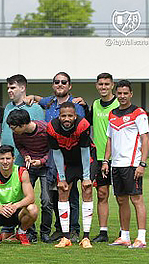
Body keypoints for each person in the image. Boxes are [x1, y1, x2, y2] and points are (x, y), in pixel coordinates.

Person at [32, 72, 85, 242]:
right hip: (52, 153)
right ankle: (61, 229)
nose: (60, 84)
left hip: (71, 154)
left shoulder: (76, 106)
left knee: (71, 193)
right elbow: (37, 99)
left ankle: (74, 229)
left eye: (64, 82)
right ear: (53, 85)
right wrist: (31, 96)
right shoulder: (49, 102)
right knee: (55, 193)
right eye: (57, 82)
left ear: (70, 86)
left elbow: (81, 131)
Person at [103, 80, 148, 248]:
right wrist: (106, 161)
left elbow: (145, 139)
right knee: (121, 200)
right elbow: (109, 140)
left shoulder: (139, 113)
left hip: (132, 164)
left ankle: (141, 238)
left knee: (137, 199)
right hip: (116, 165)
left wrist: (142, 163)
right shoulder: (112, 114)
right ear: (116, 94)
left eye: (125, 93)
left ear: (131, 94)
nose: (122, 96)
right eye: (119, 93)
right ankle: (125, 236)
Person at [1, 74, 46, 242]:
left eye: (12, 87)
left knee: (29, 198)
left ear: (22, 88)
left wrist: (34, 157)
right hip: (6, 159)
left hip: (26, 161)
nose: (9, 91)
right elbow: (6, 133)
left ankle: (29, 231)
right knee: (11, 196)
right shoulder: (7, 107)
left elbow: (40, 135)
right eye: (8, 88)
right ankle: (12, 230)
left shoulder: (34, 107)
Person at [47, 102, 94, 248]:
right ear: (59, 116)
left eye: (70, 116)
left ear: (75, 116)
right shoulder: (52, 128)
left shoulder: (83, 124)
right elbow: (57, 154)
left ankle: (86, 237)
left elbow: (85, 151)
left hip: (85, 160)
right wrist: (61, 178)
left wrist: (86, 177)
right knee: (63, 191)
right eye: (63, 116)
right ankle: (65, 237)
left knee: (87, 190)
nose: (66, 119)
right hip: (68, 161)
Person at [7, 109, 52, 243]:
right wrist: (26, 155)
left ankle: (45, 233)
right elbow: (20, 146)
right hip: (29, 167)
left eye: (14, 128)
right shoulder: (17, 133)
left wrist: (42, 161)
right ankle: (29, 232)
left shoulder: (45, 129)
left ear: (24, 125)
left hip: (45, 167)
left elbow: (54, 149)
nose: (13, 131)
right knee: (26, 200)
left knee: (47, 200)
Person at [0, 145, 38, 246]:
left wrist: (15, 206)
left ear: (13, 159)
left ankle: (21, 233)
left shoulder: (21, 172)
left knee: (33, 209)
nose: (5, 162)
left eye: (8, 158)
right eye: (2, 159)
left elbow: (30, 197)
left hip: (16, 211)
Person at [87, 73, 119, 243]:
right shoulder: (95, 105)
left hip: (119, 158)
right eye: (101, 84)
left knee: (122, 197)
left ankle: (124, 232)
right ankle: (103, 232)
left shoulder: (118, 104)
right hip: (99, 158)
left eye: (107, 84)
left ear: (112, 85)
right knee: (101, 194)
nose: (104, 87)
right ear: (96, 86)